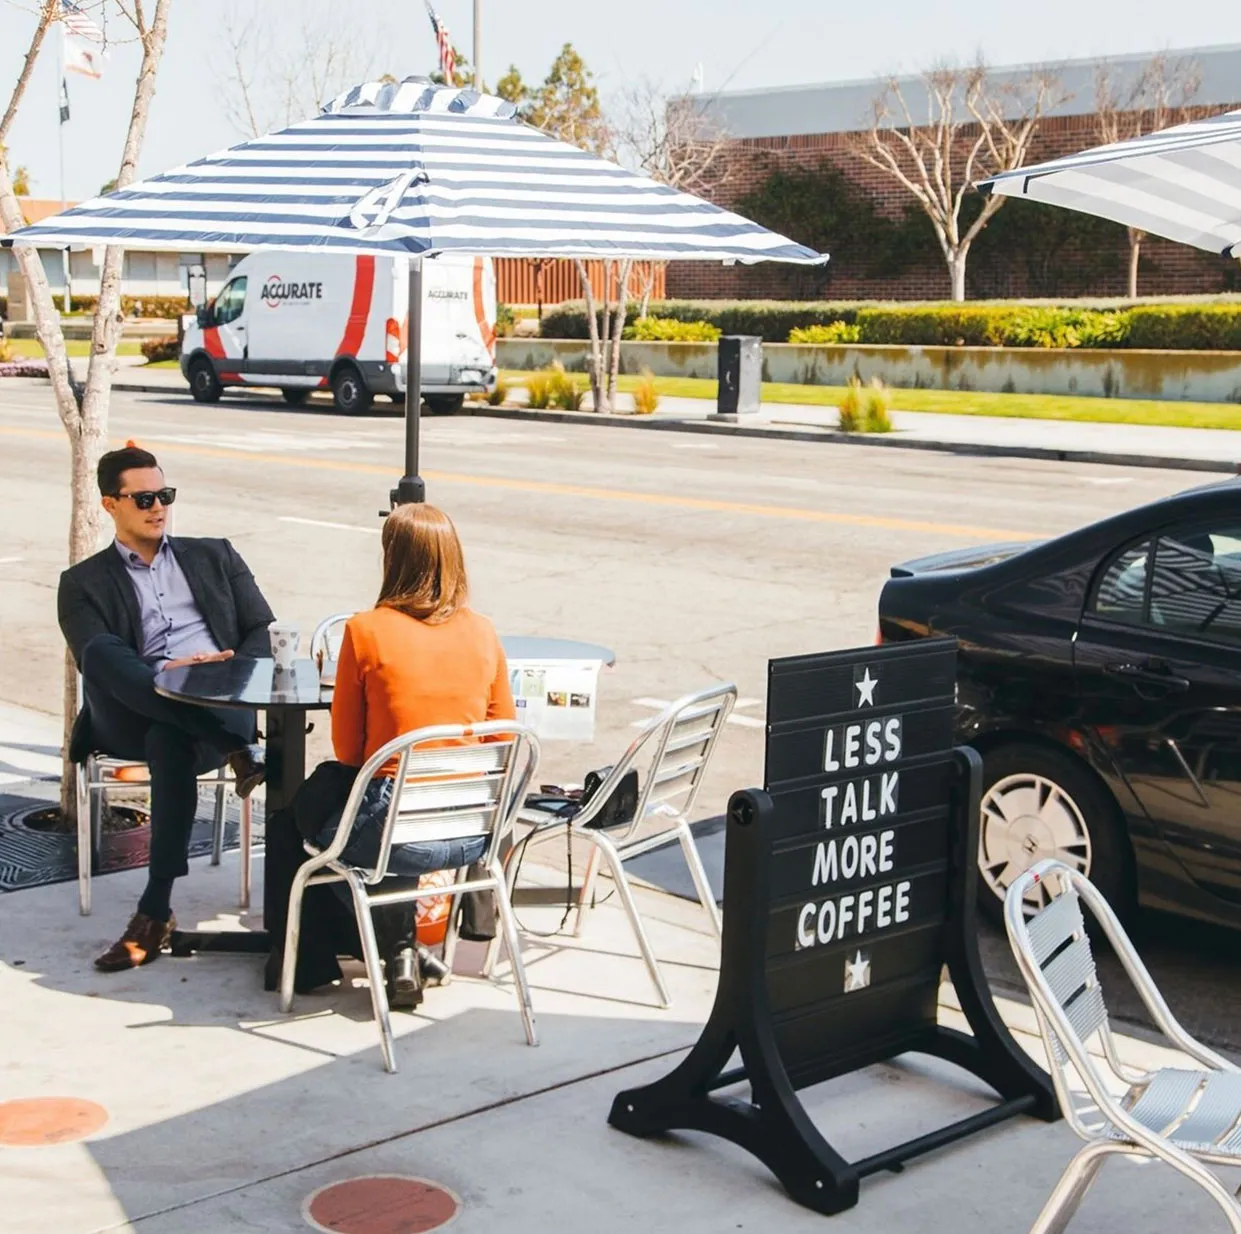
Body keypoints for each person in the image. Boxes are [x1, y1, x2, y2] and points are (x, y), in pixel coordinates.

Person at [287, 502, 515, 1008]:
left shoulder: (365, 630)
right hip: (471, 830)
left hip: (393, 827)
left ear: (392, 558)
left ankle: (388, 951)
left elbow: (349, 751)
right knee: (384, 822)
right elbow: (504, 734)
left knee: (306, 824)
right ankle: (403, 954)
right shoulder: (483, 631)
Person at [58, 443, 274, 972]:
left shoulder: (215, 555)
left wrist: (217, 674)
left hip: (216, 703)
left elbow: (261, 630)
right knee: (104, 651)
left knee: (169, 739)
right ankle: (235, 751)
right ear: (111, 505)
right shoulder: (81, 583)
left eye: (165, 495)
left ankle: (154, 913)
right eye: (145, 498)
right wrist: (168, 675)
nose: (158, 507)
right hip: (129, 714)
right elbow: (101, 668)